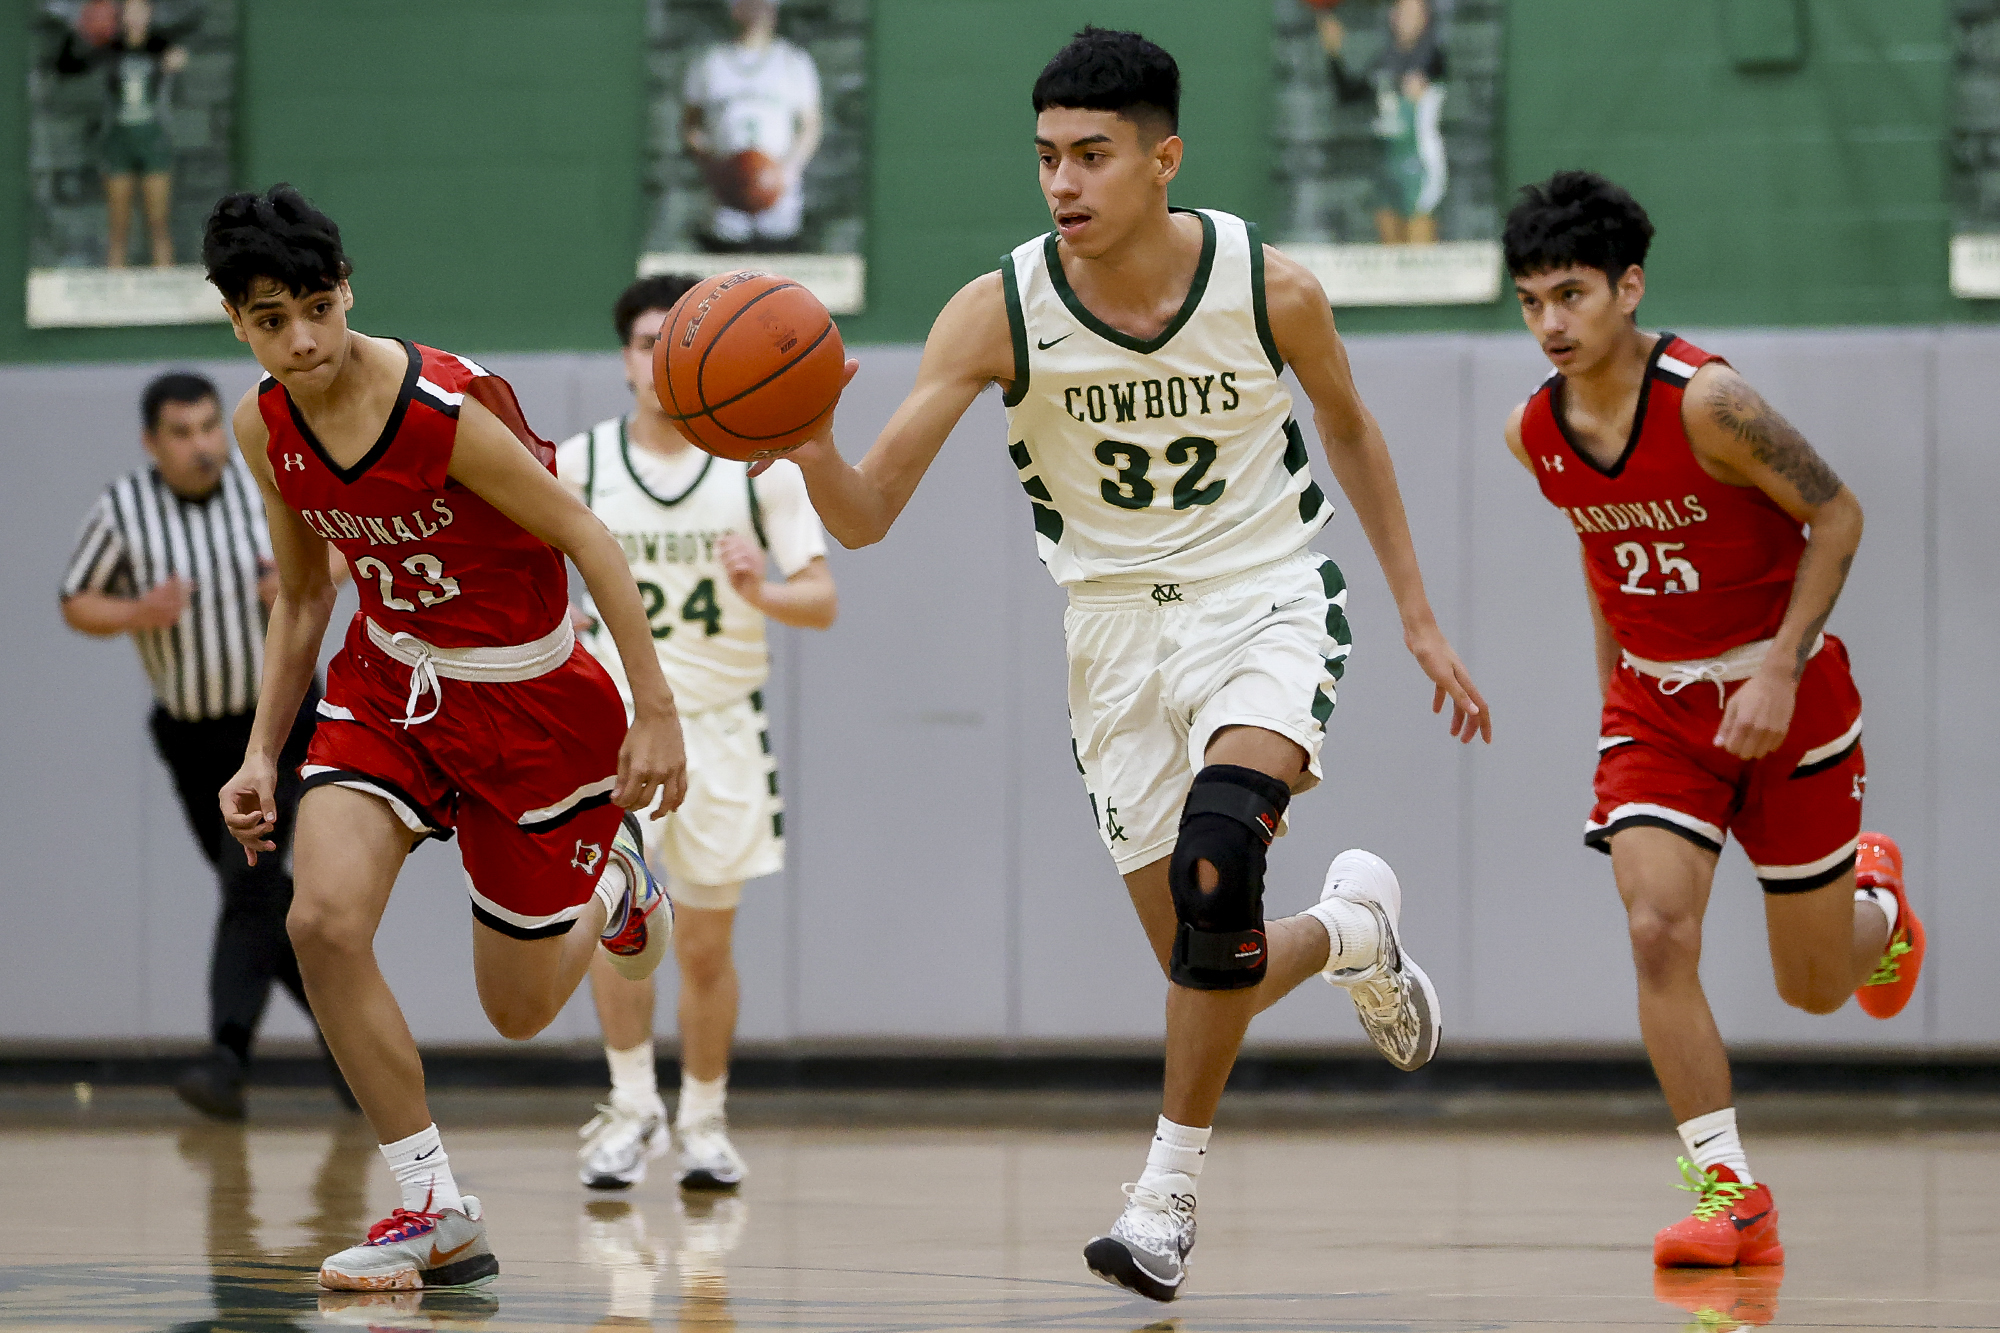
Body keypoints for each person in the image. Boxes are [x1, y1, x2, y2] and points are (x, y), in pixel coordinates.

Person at [763, 27, 1489, 1302]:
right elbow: (866, 512)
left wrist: (1417, 617)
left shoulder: (1273, 289)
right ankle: (1352, 930)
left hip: (1261, 595)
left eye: (1090, 155)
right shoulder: (996, 312)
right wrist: (803, 437)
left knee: (1220, 861)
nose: (1061, 183)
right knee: (1209, 958)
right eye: (1045, 157)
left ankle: (1161, 1200)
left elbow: (1354, 435)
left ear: (1162, 159)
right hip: (1107, 636)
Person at [203, 183, 686, 1292]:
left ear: (347, 291)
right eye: (270, 319)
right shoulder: (262, 422)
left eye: (315, 307)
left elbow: (588, 538)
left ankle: (616, 885)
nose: (302, 339)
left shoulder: (442, 409)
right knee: (319, 919)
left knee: (515, 1013)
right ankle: (434, 1207)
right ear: (236, 322)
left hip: (529, 704)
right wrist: (262, 750)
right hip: (388, 689)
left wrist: (654, 708)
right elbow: (303, 592)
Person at [1500, 170, 1926, 1268]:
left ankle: (1874, 903)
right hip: (1654, 707)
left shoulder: (1707, 401)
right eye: (1529, 300)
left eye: (1570, 295)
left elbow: (1836, 517)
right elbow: (1601, 562)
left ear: (1626, 288)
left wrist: (1779, 666)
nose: (1548, 322)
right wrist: (1613, 702)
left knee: (1815, 986)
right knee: (1653, 929)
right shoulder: (1531, 431)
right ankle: (1726, 1188)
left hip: (1784, 696)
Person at [556, 274, 836, 1193]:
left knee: (707, 945)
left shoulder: (760, 465)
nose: (654, 356)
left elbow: (822, 599)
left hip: (720, 732)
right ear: (627, 356)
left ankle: (705, 1120)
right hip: (616, 736)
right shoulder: (580, 466)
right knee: (621, 931)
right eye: (643, 340)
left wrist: (762, 589)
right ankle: (631, 1107)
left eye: (669, 339)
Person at [59, 370, 353, 1120]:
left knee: (251, 878)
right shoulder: (123, 509)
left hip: (281, 722)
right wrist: (137, 611)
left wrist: (299, 582)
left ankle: (225, 1058)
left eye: (207, 428)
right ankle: (355, 1050)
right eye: (181, 434)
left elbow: (347, 553)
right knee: (256, 895)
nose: (200, 446)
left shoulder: (268, 486)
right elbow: (76, 602)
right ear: (152, 443)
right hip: (192, 740)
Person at [55, 0, 188, 267]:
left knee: (158, 223)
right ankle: (115, 292)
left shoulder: (160, 46)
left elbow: (178, 73)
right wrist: (77, 30)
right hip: (118, 139)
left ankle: (165, 292)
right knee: (118, 227)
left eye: (141, 11)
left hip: (153, 138)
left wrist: (176, 62)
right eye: (130, 11)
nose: (136, 17)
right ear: (122, 16)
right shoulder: (110, 48)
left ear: (150, 14)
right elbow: (68, 66)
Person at [682, 0, 822, 250]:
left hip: (779, 199)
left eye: (763, 6)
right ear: (735, 10)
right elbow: (691, 125)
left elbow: (810, 125)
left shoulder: (793, 61)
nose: (757, 12)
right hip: (724, 200)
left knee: (777, 276)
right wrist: (713, 166)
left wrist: (786, 171)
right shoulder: (709, 62)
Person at [1318, 0, 1446, 245]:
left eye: (1413, 12)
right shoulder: (1383, 61)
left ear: (1425, 19)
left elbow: (1426, 74)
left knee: (1419, 243)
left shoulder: (1432, 56)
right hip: (1387, 162)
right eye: (1402, 11)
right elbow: (1348, 93)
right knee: (1389, 245)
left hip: (1418, 161)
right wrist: (1334, 51)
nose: (1406, 18)